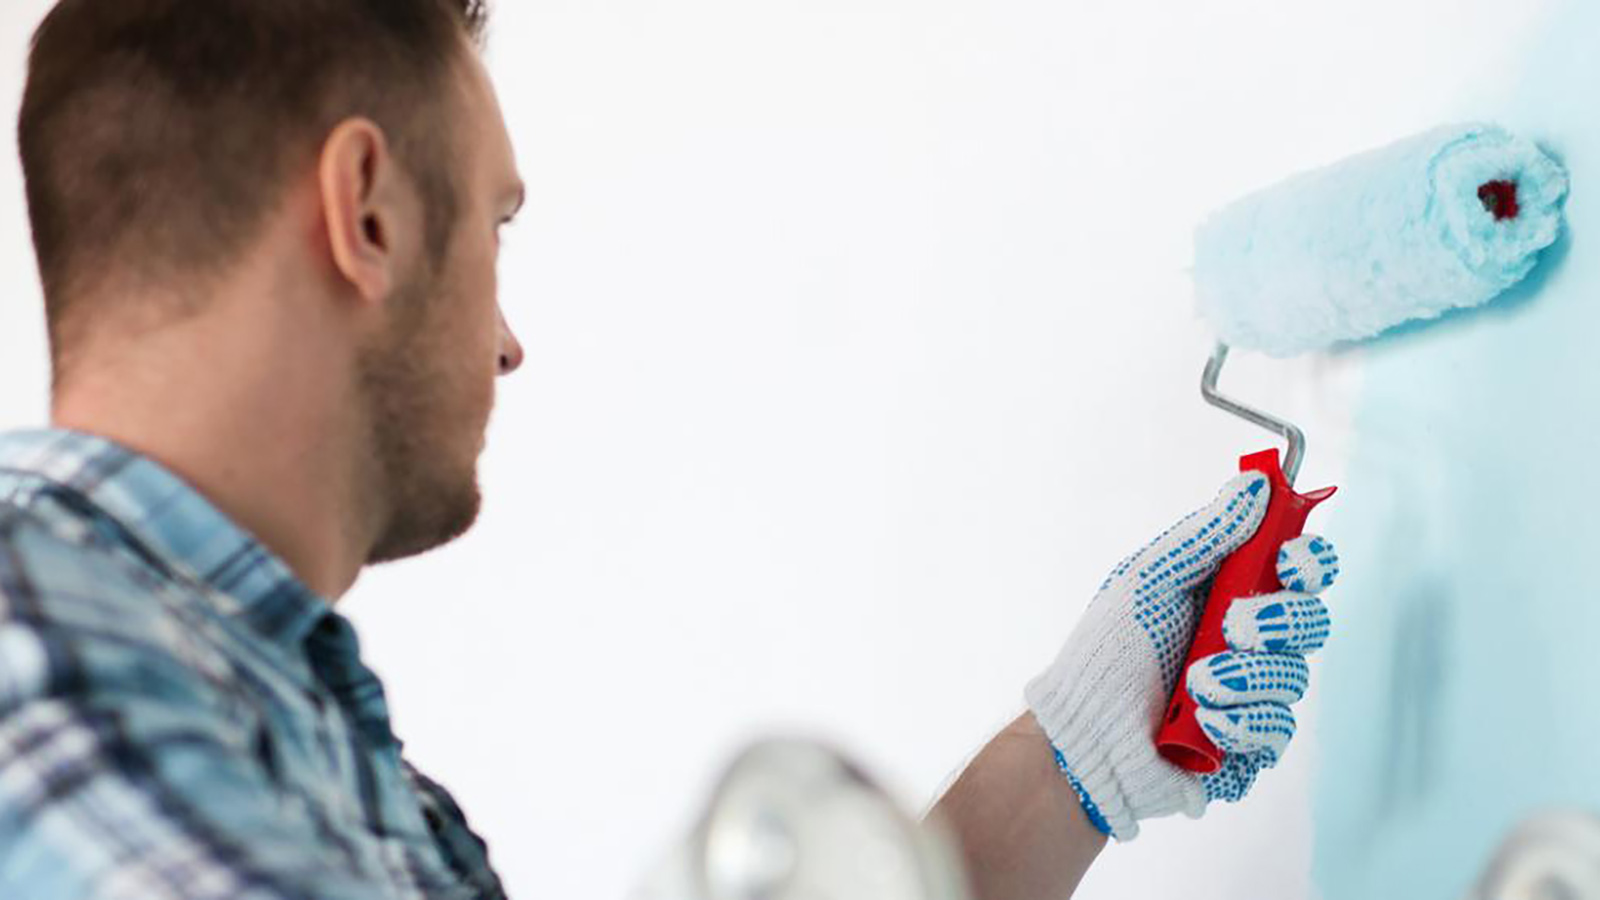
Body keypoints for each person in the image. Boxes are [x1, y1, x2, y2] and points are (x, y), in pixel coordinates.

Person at [0, 1, 1339, 898]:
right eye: (496, 230)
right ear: (367, 216)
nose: (509, 341)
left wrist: (1075, 762)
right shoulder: (32, 649)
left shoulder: (319, 750)